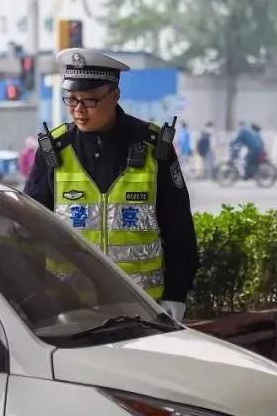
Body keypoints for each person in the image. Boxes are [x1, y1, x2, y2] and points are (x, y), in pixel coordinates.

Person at [23, 47, 199, 322]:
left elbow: (179, 228)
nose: (78, 110)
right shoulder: (53, 151)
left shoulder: (154, 149)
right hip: (69, 309)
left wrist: (176, 294)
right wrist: (32, 296)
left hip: (144, 307)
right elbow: (30, 230)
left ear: (114, 95)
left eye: (90, 101)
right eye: (71, 99)